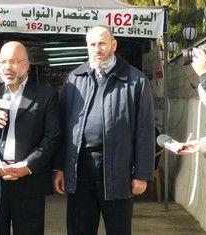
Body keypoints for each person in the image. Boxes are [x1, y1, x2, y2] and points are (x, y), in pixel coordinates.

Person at [53, 25, 155, 235]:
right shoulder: (74, 79)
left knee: (118, 229)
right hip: (79, 167)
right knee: (79, 229)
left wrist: (142, 173)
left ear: (113, 45)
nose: (97, 49)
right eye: (92, 44)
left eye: (102, 43)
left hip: (119, 170)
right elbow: (61, 128)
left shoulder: (136, 81)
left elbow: (145, 131)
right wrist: (59, 167)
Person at [0, 41, 61, 235]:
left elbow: (52, 137)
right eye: (4, 62)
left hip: (29, 181)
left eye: (15, 62)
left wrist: (28, 165)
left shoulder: (46, 95)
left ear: (27, 65)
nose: (8, 67)